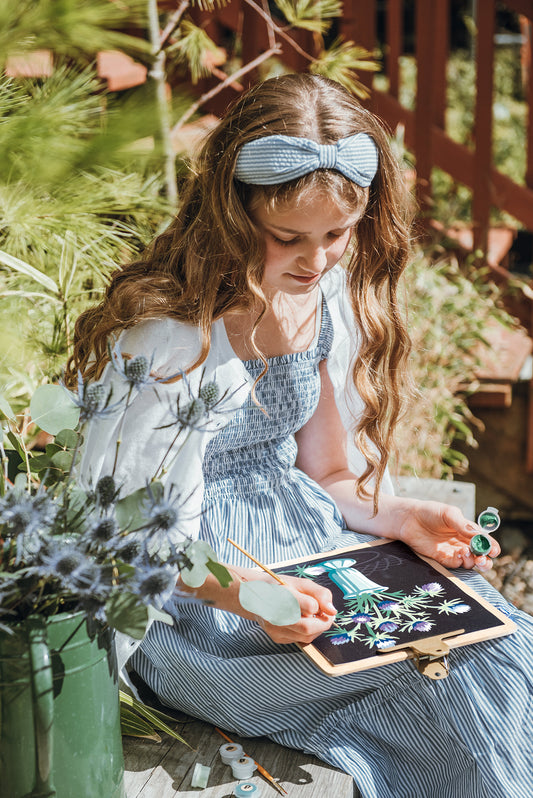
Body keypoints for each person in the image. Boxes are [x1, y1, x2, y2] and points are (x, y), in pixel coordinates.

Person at [71, 74, 533, 798]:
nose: (316, 261)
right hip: (201, 607)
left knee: (503, 643)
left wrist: (398, 516)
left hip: (311, 551)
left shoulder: (317, 303)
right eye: (289, 238)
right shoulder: (164, 340)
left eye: (336, 236)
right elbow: (123, 539)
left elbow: (326, 474)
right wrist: (243, 593)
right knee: (444, 682)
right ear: (231, 215)